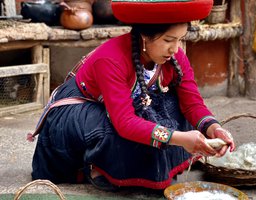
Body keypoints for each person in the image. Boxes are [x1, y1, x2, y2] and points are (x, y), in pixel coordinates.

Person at [29, 0, 235, 191]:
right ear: (145, 36)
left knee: (175, 111)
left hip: (127, 106)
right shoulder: (111, 59)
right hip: (83, 108)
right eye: (168, 40)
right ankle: (98, 166)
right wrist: (179, 138)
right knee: (116, 133)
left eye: (180, 40)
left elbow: (192, 103)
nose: (175, 49)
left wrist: (214, 128)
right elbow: (125, 122)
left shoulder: (174, 55)